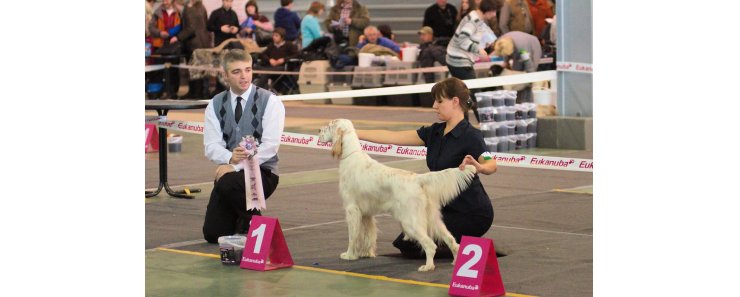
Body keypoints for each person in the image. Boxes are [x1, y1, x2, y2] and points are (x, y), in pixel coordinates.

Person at [355, 77, 496, 258]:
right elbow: (392, 136)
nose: (434, 106)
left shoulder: (471, 136)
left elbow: (490, 163)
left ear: (455, 102)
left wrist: (480, 167)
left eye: (439, 101)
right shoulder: (434, 132)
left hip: (471, 213)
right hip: (442, 208)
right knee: (405, 243)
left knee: (417, 245)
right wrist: (354, 132)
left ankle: (467, 250)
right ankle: (459, 246)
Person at [202, 49, 286, 243]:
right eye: (236, 71)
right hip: (230, 175)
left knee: (226, 181)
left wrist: (234, 166)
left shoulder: (270, 101)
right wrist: (229, 158)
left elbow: (271, 146)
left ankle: (256, 225)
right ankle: (246, 220)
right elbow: (211, 145)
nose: (244, 76)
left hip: (264, 172)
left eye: (248, 70)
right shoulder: (214, 104)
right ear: (225, 75)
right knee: (213, 234)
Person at [446, 0, 501, 122]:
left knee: (463, 94)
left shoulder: (476, 17)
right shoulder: (473, 21)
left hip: (456, 59)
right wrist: (479, 51)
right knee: (474, 94)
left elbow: (486, 33)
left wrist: (494, 42)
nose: (494, 15)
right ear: (487, 11)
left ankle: (463, 123)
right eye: (493, 12)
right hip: (459, 61)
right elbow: (462, 40)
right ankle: (485, 123)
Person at [171, 0, 212, 99]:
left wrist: (177, 37)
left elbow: (190, 29)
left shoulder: (189, 9)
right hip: (204, 43)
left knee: (194, 70)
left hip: (194, 44)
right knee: (200, 70)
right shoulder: (201, 7)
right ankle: (200, 93)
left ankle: (195, 94)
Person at [492, 31, 541, 102]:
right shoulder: (501, 41)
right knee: (516, 74)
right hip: (516, 46)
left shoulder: (522, 47)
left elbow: (528, 63)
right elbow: (506, 52)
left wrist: (530, 78)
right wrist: (506, 62)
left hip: (532, 46)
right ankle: (517, 102)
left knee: (528, 76)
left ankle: (527, 103)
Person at [148, 0, 183, 99]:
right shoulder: (157, 12)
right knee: (158, 70)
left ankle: (173, 92)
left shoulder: (179, 12)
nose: (165, 1)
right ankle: (159, 93)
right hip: (160, 45)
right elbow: (151, 27)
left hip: (174, 45)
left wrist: (176, 36)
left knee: (174, 70)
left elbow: (183, 27)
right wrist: (160, 33)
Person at [254, 28, 299, 93]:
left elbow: (297, 55)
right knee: (254, 68)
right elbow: (262, 54)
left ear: (282, 37)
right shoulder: (271, 46)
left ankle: (256, 92)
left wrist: (284, 59)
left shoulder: (289, 45)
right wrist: (269, 60)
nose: (274, 37)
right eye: (273, 35)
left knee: (266, 72)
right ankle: (248, 89)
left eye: (276, 36)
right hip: (271, 66)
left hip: (283, 67)